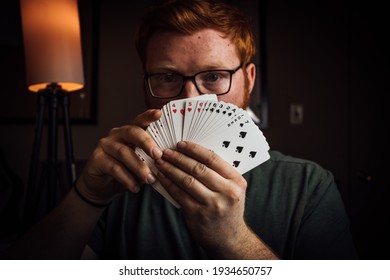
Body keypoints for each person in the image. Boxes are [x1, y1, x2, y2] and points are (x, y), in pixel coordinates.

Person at [4, 0, 357, 260]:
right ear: (146, 83)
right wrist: (87, 197)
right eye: (168, 77)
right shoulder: (114, 182)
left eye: (215, 76)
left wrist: (235, 242)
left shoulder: (309, 186)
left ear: (248, 80)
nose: (191, 97)